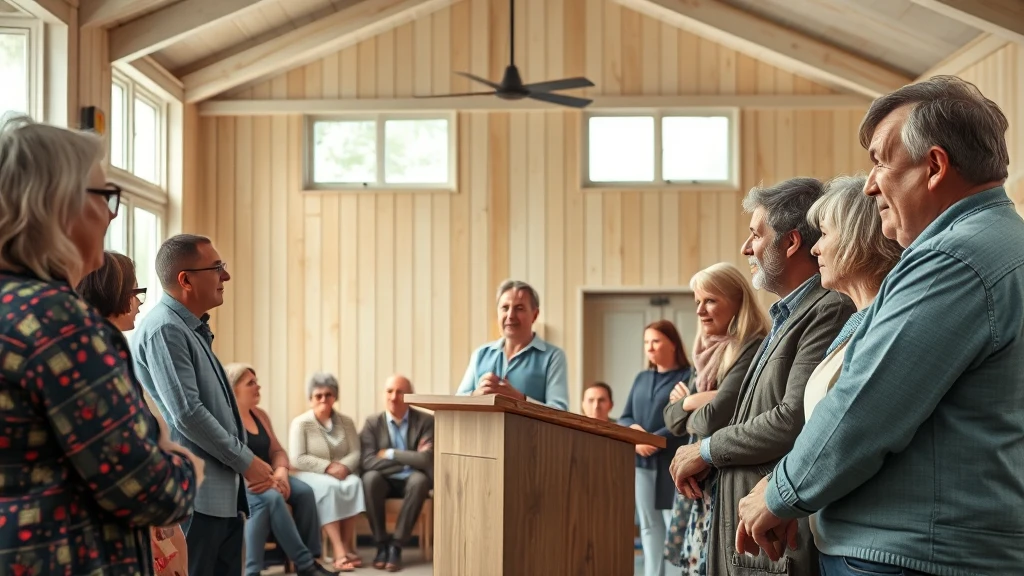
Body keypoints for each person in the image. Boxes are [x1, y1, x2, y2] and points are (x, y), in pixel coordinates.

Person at [736, 76, 1024, 576]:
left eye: (880, 161)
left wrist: (780, 494)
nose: (871, 185)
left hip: (906, 554)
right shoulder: (997, 243)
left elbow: (865, 404)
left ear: (934, 166)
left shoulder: (954, 258)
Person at [0, 115, 200, 573]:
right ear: (58, 205)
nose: (112, 214)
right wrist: (185, 469)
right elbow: (148, 489)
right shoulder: (61, 322)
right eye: (105, 197)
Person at [669, 177, 855, 576]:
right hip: (747, 531)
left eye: (755, 234)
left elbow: (793, 418)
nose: (746, 248)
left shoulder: (828, 309)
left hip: (774, 538)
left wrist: (704, 450)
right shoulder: (786, 314)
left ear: (789, 243)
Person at [133, 234, 275, 576]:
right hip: (198, 497)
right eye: (217, 268)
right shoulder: (164, 329)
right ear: (185, 280)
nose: (225, 276)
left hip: (219, 496)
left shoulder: (188, 328)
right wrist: (246, 461)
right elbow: (187, 413)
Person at [77, 250, 194, 575]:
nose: (140, 302)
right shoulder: (97, 361)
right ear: (111, 294)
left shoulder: (111, 353)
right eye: (135, 291)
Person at [662, 262, 769, 574]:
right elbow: (671, 418)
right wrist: (695, 400)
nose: (700, 310)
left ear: (738, 301)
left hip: (727, 483)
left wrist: (688, 403)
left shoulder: (751, 348)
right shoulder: (704, 355)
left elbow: (712, 421)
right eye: (697, 301)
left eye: (710, 300)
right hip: (701, 484)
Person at [226, 364, 333, 576]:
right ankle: (305, 566)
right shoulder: (228, 420)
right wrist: (270, 480)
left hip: (273, 476)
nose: (258, 387)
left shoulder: (260, 415)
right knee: (272, 498)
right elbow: (233, 460)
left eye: (256, 382)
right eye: (251, 383)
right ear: (233, 389)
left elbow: (278, 451)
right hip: (247, 481)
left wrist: (281, 472)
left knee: (305, 492)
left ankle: (312, 558)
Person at [618, 320, 692, 576]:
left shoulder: (687, 376)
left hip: (672, 464)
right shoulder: (641, 377)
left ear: (672, 344)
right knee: (648, 526)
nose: (649, 347)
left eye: (656, 341)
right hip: (642, 464)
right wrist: (635, 434)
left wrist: (652, 439)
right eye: (646, 342)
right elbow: (625, 416)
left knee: (673, 525)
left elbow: (683, 418)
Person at [289, 372, 367, 572]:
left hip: (342, 472)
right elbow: (297, 458)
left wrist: (344, 467)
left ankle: (348, 545)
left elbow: (356, 451)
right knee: (330, 487)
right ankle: (339, 551)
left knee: (355, 483)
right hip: (309, 473)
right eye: (318, 395)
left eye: (328, 394)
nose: (324, 399)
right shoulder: (301, 423)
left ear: (335, 396)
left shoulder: (346, 422)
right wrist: (327, 467)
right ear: (311, 399)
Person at [455, 279, 569, 410]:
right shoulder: (480, 354)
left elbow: (560, 410)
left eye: (519, 308)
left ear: (535, 315)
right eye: (505, 308)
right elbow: (458, 401)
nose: (510, 315)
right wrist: (476, 395)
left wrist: (520, 400)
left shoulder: (553, 357)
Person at [361, 375, 434, 572]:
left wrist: (390, 454)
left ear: (410, 395)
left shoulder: (426, 421)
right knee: (369, 478)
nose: (394, 397)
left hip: (413, 481)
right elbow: (367, 462)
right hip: (384, 481)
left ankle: (396, 546)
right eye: (390, 391)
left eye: (400, 392)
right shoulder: (372, 423)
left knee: (420, 480)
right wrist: (409, 462)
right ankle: (381, 544)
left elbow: (426, 459)